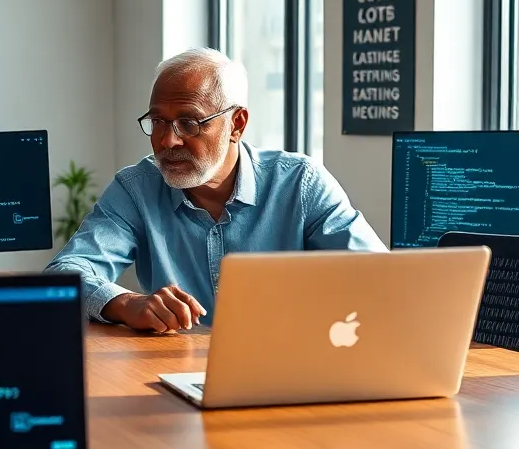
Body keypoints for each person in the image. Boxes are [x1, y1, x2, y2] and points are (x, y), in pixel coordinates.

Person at [47, 48, 384, 333]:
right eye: (158, 121)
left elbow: (382, 281)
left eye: (189, 122)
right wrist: (126, 302)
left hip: (289, 366)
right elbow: (66, 274)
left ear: (236, 124)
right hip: (174, 375)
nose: (167, 140)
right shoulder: (137, 188)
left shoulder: (299, 183)